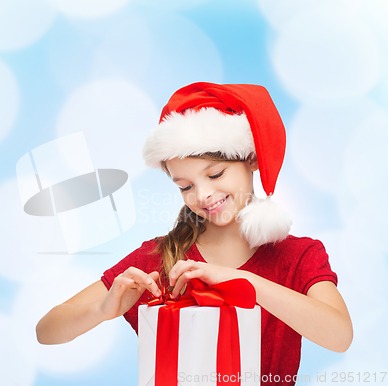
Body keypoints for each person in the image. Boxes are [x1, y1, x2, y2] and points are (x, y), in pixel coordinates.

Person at [36, 82, 353, 385]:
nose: (202, 195)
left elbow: (339, 335)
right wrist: (102, 310)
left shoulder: (297, 256)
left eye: (215, 174)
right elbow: (47, 331)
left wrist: (244, 284)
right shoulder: (162, 259)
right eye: (185, 186)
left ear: (252, 159)